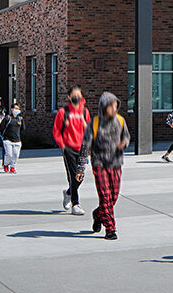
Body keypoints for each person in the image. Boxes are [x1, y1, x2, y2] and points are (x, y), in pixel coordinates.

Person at [76, 92, 131, 241]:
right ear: (103, 107)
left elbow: (126, 136)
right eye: (110, 106)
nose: (114, 109)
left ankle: (98, 214)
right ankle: (110, 228)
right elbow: (85, 146)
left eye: (115, 106)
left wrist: (123, 143)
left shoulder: (120, 121)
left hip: (116, 163)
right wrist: (80, 169)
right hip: (99, 164)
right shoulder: (94, 123)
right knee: (105, 196)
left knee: (113, 197)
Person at [53, 85, 91, 216]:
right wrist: (63, 146)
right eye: (74, 94)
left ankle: (68, 193)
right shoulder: (63, 112)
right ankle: (76, 204)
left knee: (80, 177)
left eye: (78, 94)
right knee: (73, 176)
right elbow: (56, 131)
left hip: (82, 149)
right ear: (69, 97)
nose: (76, 97)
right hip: (69, 148)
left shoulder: (85, 112)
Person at [0, 103, 24, 173]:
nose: (17, 110)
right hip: (8, 140)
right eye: (15, 108)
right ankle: (6, 164)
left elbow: (22, 128)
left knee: (16, 155)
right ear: (12, 109)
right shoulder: (8, 118)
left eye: (18, 109)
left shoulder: (20, 119)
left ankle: (13, 167)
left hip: (17, 140)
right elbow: (1, 127)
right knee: (9, 154)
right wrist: (4, 135)